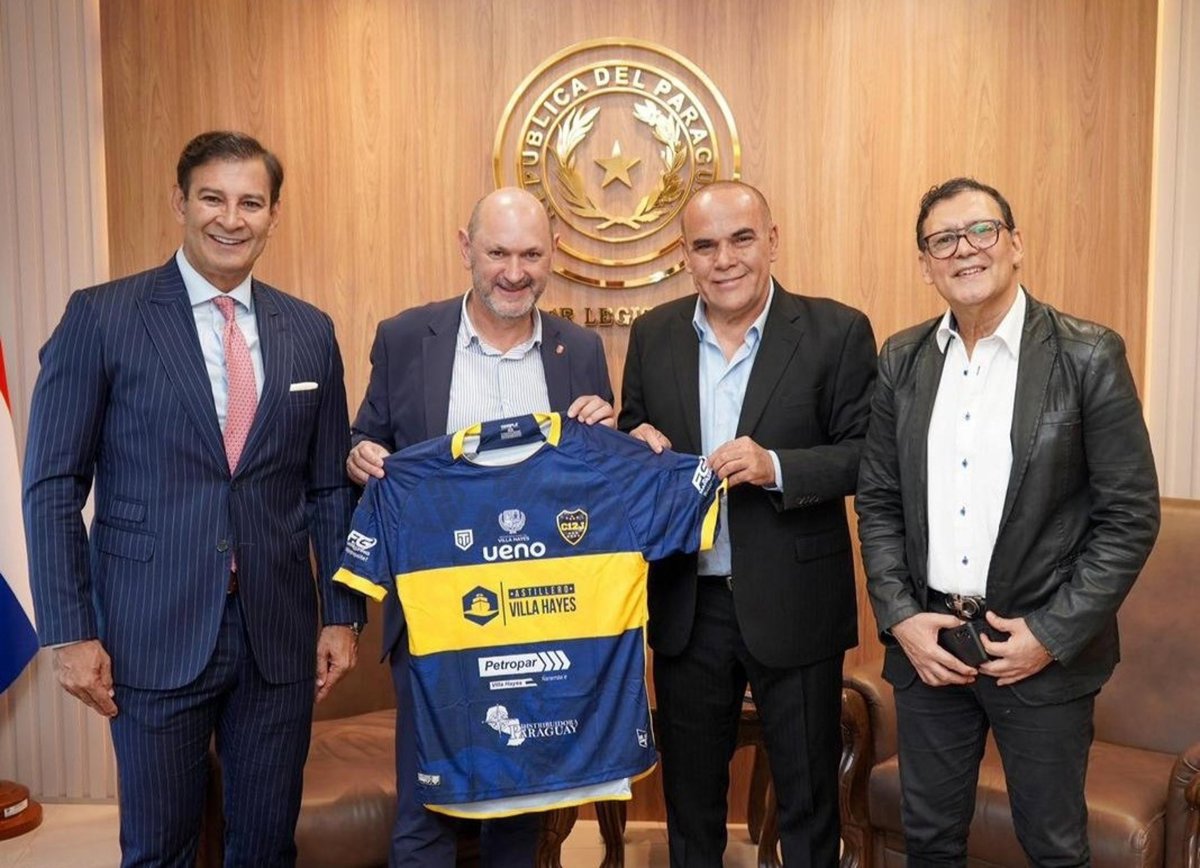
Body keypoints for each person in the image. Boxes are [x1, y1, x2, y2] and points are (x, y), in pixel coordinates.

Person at [22, 130, 365, 867]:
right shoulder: (102, 316)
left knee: (266, 846)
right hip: (150, 631)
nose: (231, 219)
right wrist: (69, 631)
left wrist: (341, 613)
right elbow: (52, 484)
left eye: (251, 203)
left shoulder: (310, 331)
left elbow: (327, 486)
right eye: (213, 198)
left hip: (277, 633)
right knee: (160, 850)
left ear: (274, 214)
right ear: (180, 202)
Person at [855, 177, 1160, 866]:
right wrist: (901, 617)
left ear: (1015, 244)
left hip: (1037, 650)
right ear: (925, 264)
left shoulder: (1087, 355)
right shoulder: (902, 359)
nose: (964, 249)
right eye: (942, 240)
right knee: (929, 843)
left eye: (981, 230)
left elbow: (1130, 516)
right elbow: (878, 501)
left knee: (1053, 847)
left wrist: (1051, 634)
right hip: (933, 647)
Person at [345, 186, 614, 867]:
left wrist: (607, 433)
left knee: (517, 808)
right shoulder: (407, 338)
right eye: (498, 253)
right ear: (466, 248)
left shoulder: (581, 350)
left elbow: (595, 485)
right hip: (433, 616)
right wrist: (360, 455)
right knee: (425, 807)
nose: (514, 273)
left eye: (532, 255)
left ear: (554, 254)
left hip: (539, 618)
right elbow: (366, 439)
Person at [618, 180, 877, 867]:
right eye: (705, 245)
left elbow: (867, 455)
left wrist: (776, 466)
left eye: (741, 239)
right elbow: (633, 432)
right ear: (686, 256)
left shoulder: (836, 332)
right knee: (690, 805)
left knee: (809, 802)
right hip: (687, 602)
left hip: (795, 602)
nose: (724, 259)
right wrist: (635, 441)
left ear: (772, 240)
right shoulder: (654, 335)